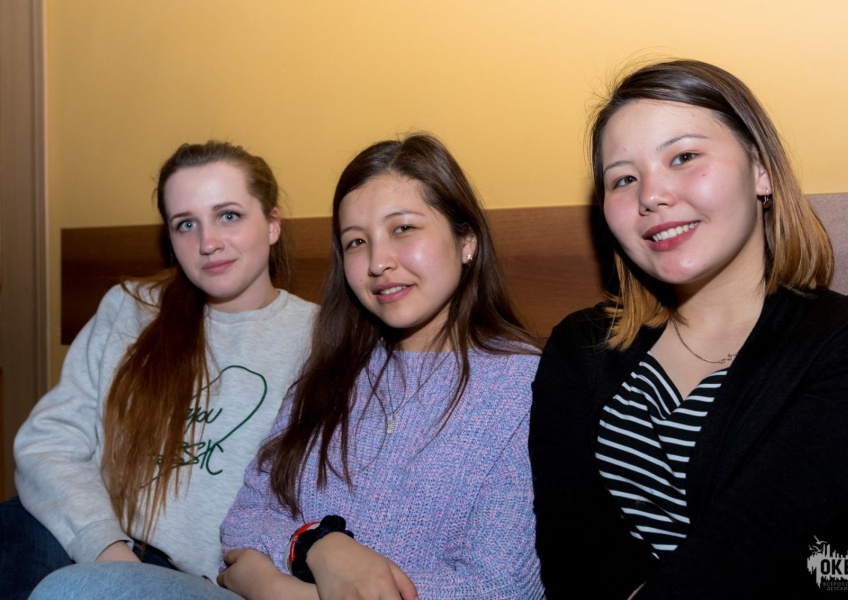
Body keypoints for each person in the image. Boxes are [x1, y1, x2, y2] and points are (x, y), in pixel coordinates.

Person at [31, 133, 545, 600]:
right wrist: (316, 546)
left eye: (403, 228)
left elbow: (501, 583)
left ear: (467, 240)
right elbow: (247, 517)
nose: (377, 262)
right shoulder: (337, 364)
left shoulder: (525, 387)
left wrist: (294, 591)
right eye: (356, 241)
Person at [529, 58, 848, 599]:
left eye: (683, 157)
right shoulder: (580, 346)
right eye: (624, 179)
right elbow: (572, 551)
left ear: (761, 170)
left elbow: (754, 554)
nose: (650, 196)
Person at [2, 141, 317, 599]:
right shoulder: (130, 309)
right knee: (15, 524)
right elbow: (48, 443)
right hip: (107, 543)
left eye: (229, 215)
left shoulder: (320, 338)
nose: (207, 243)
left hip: (215, 580)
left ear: (272, 224)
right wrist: (109, 551)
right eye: (186, 224)